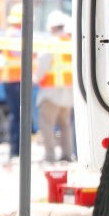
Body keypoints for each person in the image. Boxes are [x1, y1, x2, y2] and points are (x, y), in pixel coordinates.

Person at [34, 11, 74, 163]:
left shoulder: (51, 42)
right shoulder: (71, 42)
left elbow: (42, 66)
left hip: (51, 93)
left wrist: (36, 78)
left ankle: (49, 156)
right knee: (65, 126)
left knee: (47, 125)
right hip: (68, 93)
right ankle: (67, 155)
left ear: (51, 27)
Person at [0, 4, 24, 161]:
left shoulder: (12, 33)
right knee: (17, 117)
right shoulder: (16, 35)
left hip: (14, 80)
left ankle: (16, 151)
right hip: (15, 81)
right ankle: (15, 151)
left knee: (17, 116)